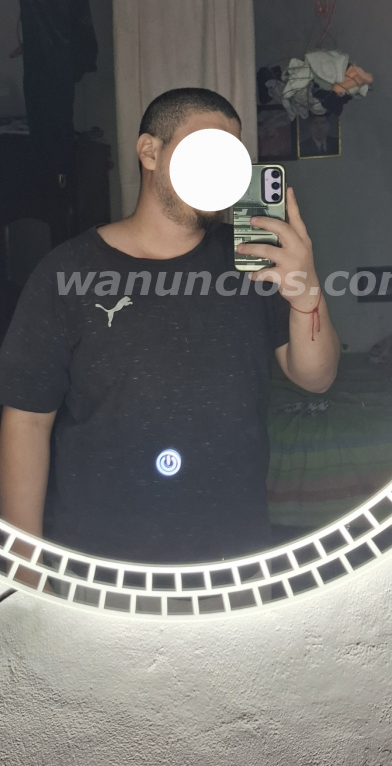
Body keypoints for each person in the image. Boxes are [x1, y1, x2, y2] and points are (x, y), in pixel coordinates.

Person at [0, 88, 340, 565]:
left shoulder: (254, 261)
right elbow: (28, 420)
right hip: (102, 564)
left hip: (234, 556)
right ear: (149, 151)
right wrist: (24, 564)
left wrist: (307, 290)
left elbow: (316, 377)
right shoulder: (65, 272)